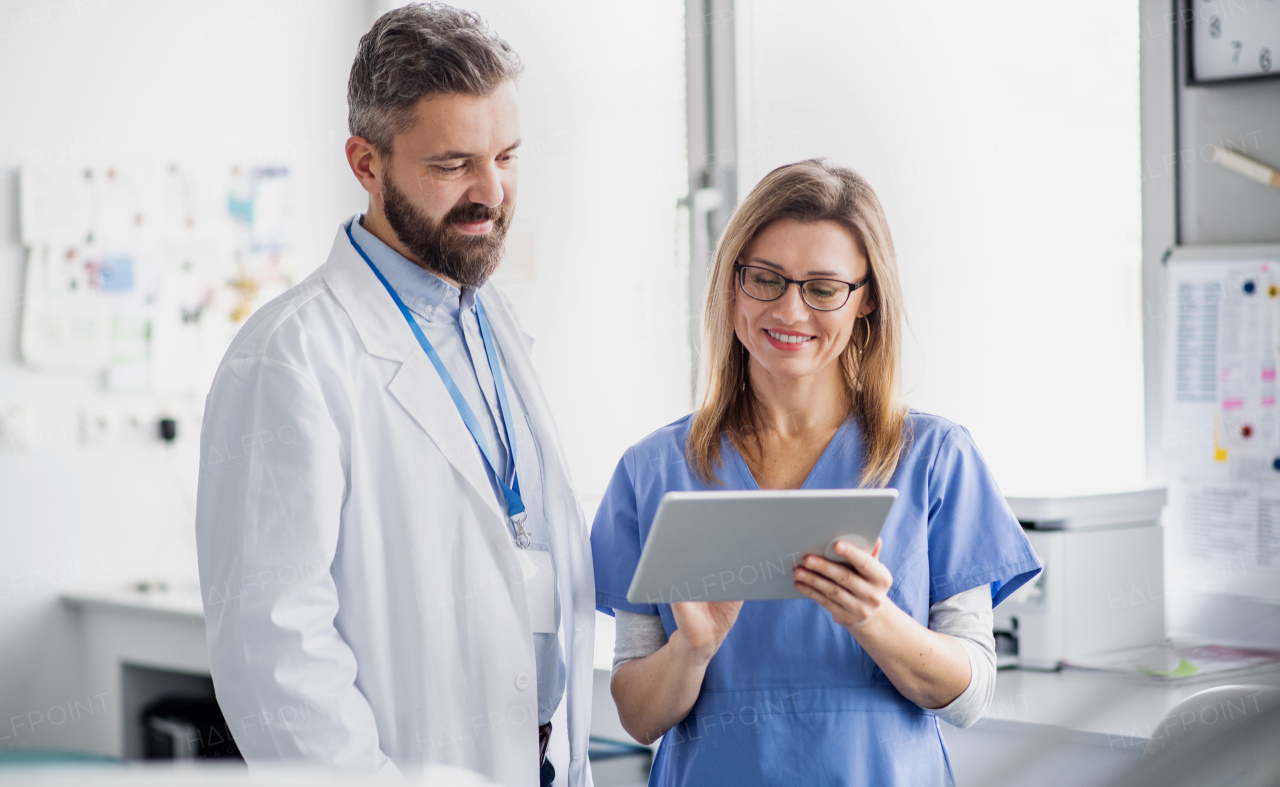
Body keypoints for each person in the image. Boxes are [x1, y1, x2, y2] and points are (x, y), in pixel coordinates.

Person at [194, 6, 593, 785]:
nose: (492, 191)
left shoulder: (493, 323)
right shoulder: (292, 356)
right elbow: (275, 648)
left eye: (506, 155)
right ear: (366, 163)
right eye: (453, 164)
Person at [591, 159, 1042, 785]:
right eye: (765, 279)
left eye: (823, 288)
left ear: (867, 300)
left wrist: (872, 618)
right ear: (731, 282)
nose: (790, 311)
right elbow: (639, 718)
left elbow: (970, 696)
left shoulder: (935, 458)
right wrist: (691, 648)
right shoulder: (654, 471)